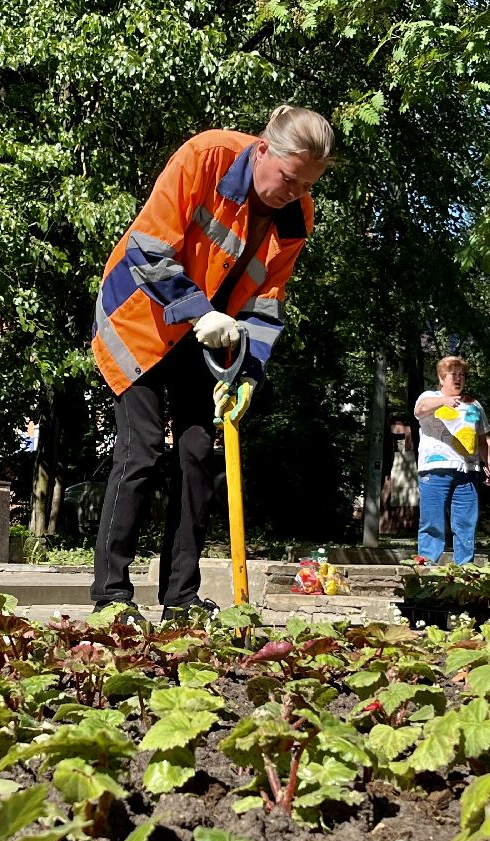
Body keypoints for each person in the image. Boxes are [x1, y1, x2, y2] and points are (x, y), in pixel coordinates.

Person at [89, 105, 334, 622]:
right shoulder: (205, 157)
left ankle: (180, 599)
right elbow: (148, 248)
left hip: (208, 344)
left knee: (197, 457)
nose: (294, 193)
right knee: (143, 451)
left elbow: (267, 301)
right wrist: (200, 311)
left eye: (306, 185)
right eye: (289, 179)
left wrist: (248, 374)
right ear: (264, 149)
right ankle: (111, 597)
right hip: (143, 321)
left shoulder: (296, 217)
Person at [414, 355, 490, 564]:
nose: (458, 379)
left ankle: (465, 570)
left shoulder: (474, 405)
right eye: (453, 374)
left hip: (468, 471)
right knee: (432, 521)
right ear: (442, 378)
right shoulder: (430, 397)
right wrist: (444, 401)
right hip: (435, 469)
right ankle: (426, 567)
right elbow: (420, 409)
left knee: (465, 522)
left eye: (462, 375)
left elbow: (482, 438)